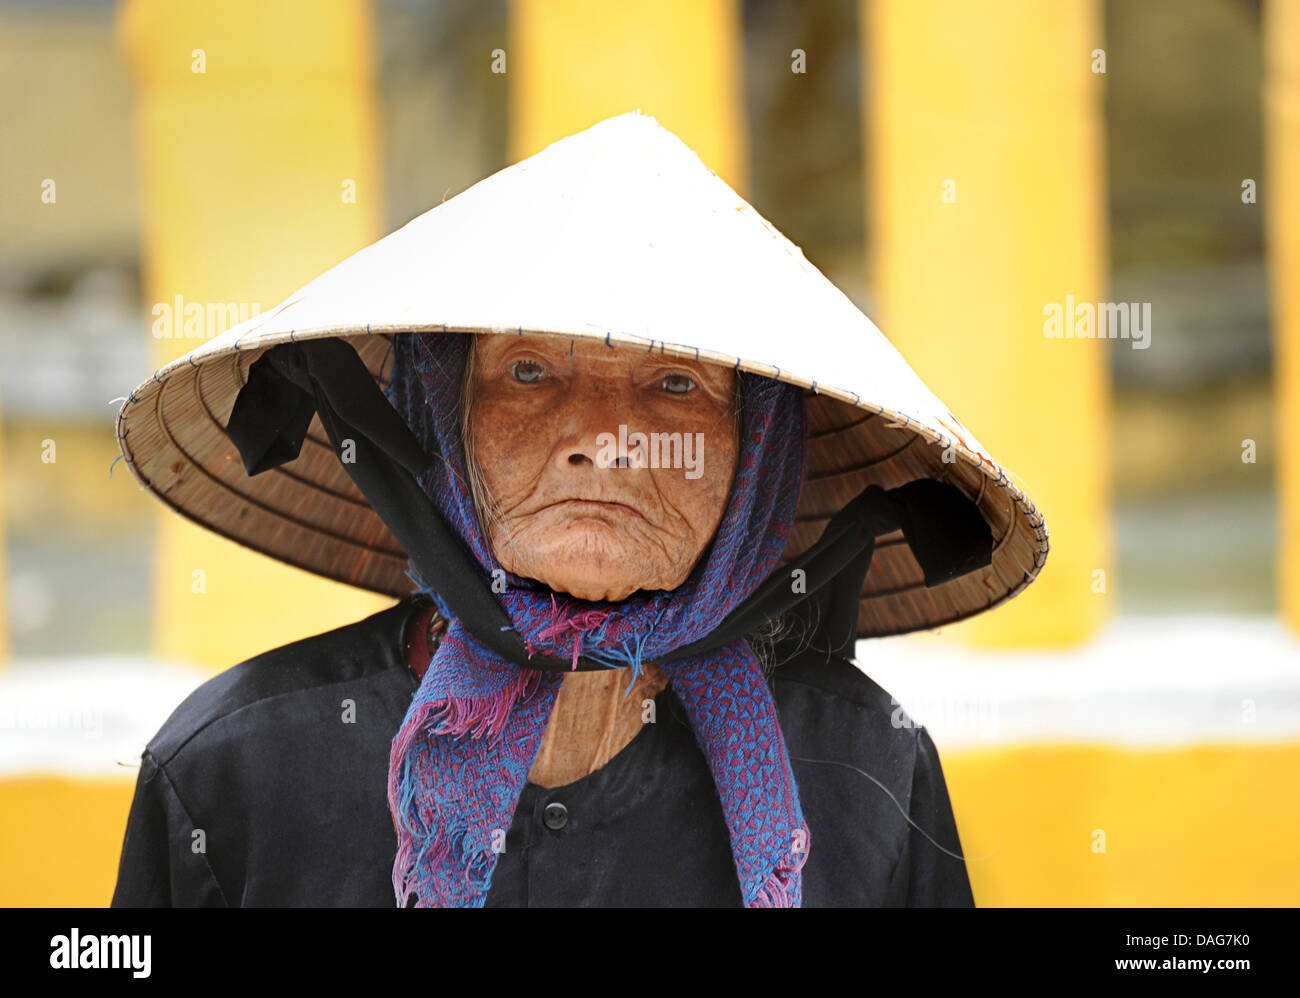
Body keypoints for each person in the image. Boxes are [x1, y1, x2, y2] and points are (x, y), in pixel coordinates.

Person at [109, 111, 1048, 908]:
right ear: (444, 421)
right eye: (528, 371)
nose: (603, 439)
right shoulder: (234, 769)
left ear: (758, 456)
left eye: (676, 385)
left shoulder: (868, 769)